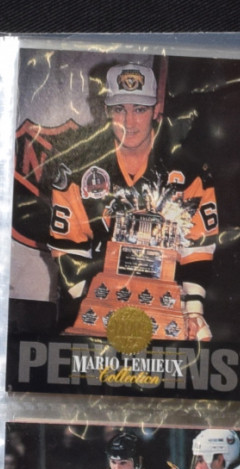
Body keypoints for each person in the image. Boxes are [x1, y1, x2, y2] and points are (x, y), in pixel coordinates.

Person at [25, 63, 223, 339]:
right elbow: (68, 247)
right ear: (107, 110)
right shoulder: (77, 166)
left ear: (156, 110)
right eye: (120, 109)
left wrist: (194, 310)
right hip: (94, 298)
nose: (129, 123)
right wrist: (100, 302)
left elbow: (197, 247)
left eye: (139, 110)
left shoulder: (188, 168)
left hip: (166, 305)